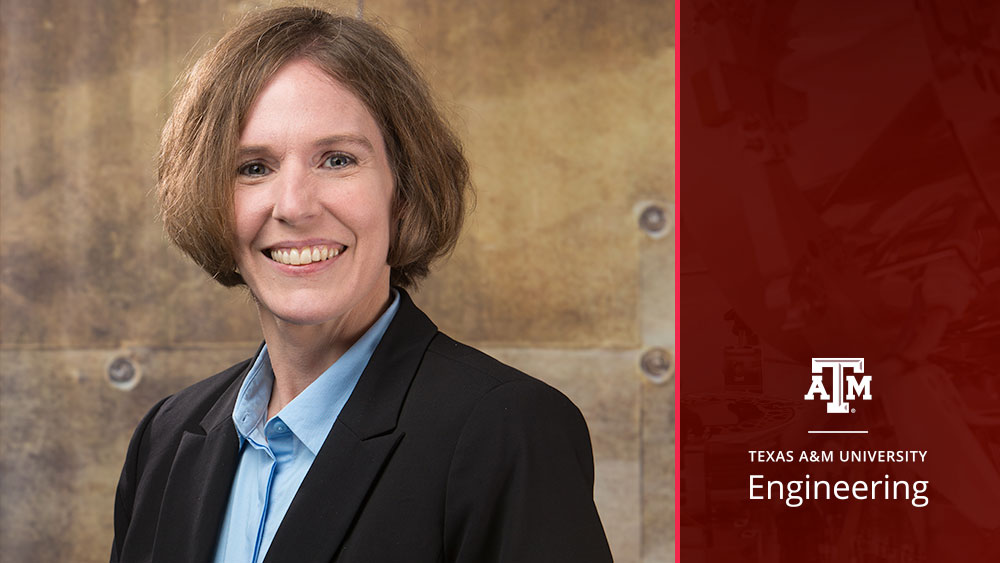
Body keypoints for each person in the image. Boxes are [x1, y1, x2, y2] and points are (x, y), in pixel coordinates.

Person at [110, 6, 612, 563]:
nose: (295, 206)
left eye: (337, 159)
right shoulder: (165, 438)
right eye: (253, 167)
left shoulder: (507, 431)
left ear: (404, 189)